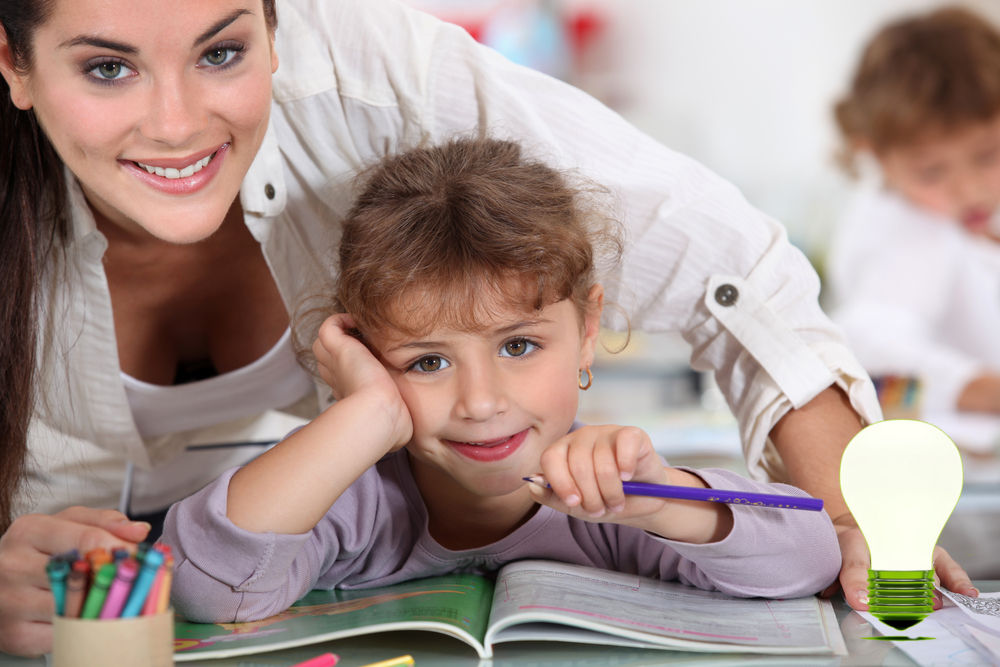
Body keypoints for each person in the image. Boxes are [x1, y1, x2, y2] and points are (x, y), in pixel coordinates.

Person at [0, 0, 973, 656]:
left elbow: (726, 271)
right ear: (13, 61)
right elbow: (219, 572)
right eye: (107, 67)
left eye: (221, 51)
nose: (175, 122)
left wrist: (852, 517)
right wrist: (363, 417)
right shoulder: (362, 503)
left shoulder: (375, 79)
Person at [161, 136, 841, 621]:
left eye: (519, 344)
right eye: (426, 361)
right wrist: (363, 412)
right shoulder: (355, 500)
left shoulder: (616, 494)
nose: (481, 402)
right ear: (364, 352)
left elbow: (809, 560)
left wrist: (660, 501)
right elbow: (205, 588)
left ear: (586, 329)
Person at [828, 6, 1000, 418]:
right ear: (874, 155)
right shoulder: (908, 228)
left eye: (988, 155)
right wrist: (982, 390)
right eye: (931, 172)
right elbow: (871, 341)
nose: (969, 189)